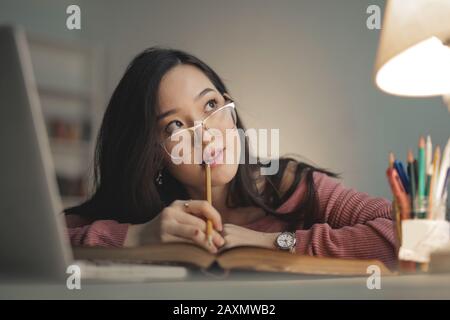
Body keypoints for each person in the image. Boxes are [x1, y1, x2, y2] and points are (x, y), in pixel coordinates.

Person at [65, 47, 398, 270]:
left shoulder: (289, 185)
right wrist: (139, 237)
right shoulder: (144, 214)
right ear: (152, 154)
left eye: (210, 106)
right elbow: (32, 243)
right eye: (175, 125)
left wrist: (273, 243)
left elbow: (402, 234)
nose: (205, 134)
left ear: (230, 108)